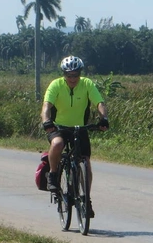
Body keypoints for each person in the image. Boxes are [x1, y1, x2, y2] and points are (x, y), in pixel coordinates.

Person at [41, 55, 109, 218]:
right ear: (64, 74)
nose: (73, 78)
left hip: (80, 128)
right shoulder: (56, 85)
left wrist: (104, 118)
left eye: (76, 74)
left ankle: (86, 198)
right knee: (57, 144)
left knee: (85, 161)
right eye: (69, 75)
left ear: (80, 73)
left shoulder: (87, 84)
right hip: (58, 127)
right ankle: (52, 174)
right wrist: (46, 121)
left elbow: (99, 103)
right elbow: (46, 106)